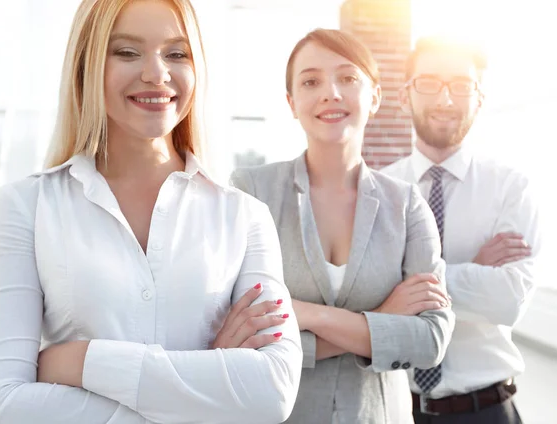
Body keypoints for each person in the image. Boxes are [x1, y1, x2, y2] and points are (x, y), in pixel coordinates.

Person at [0, 1, 302, 423]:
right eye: (126, 52)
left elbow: (272, 393)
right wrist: (203, 391)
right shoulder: (25, 207)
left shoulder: (245, 217)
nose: (157, 73)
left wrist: (82, 361)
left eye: (177, 54)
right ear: (86, 66)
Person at [231, 28, 455, 424]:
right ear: (291, 102)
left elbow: (431, 341)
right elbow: (240, 337)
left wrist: (306, 314)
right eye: (311, 81)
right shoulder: (251, 192)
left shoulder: (406, 204)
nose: (331, 92)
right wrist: (382, 318)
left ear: (375, 98)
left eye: (348, 78)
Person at [382, 36, 541, 424]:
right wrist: (473, 268)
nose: (445, 99)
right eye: (429, 83)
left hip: (484, 410)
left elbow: (508, 302)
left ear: (479, 99)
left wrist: (408, 283)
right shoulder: (379, 192)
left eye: (460, 85)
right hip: (395, 408)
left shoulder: (511, 187)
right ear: (405, 96)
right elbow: (364, 298)